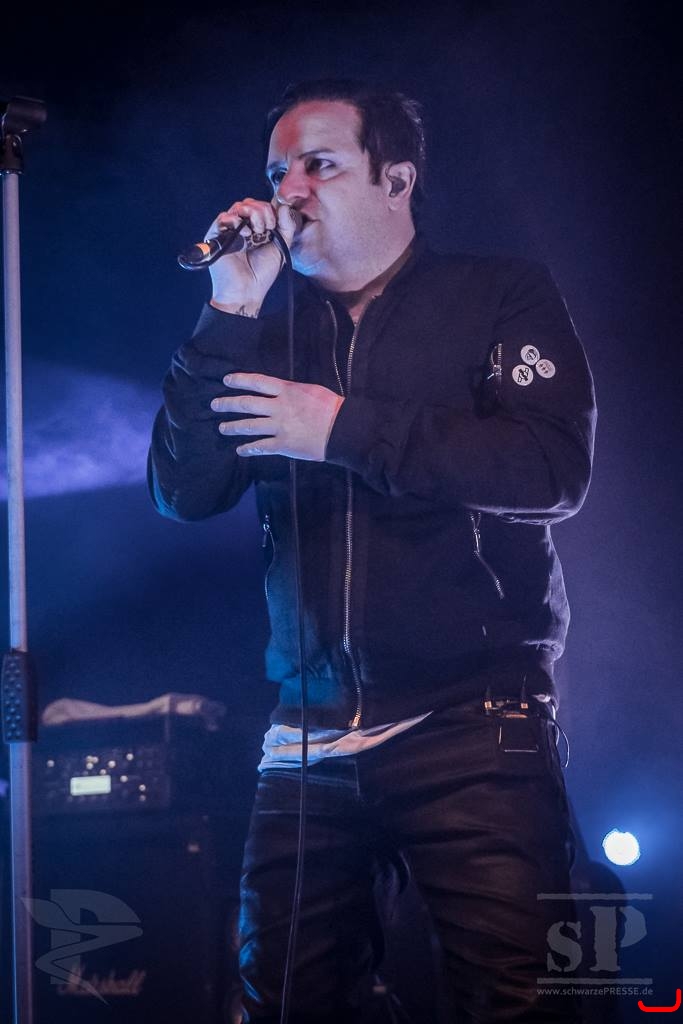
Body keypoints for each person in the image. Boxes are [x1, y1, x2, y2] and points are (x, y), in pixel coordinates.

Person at [148, 78, 596, 1023]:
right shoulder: (265, 329)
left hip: (473, 722)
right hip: (307, 737)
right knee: (285, 1002)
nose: (289, 190)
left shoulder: (496, 292)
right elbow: (184, 492)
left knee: (523, 1001)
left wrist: (343, 429)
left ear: (395, 179)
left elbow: (550, 470)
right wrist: (228, 309)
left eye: (319, 165)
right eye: (278, 171)